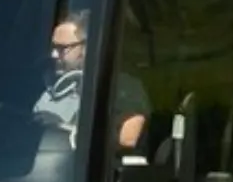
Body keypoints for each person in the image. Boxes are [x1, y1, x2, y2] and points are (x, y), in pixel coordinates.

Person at [32, 11, 149, 151]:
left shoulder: (123, 87)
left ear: (88, 47)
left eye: (62, 48)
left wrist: (62, 129)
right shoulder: (52, 88)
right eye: (53, 47)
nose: (54, 54)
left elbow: (128, 140)